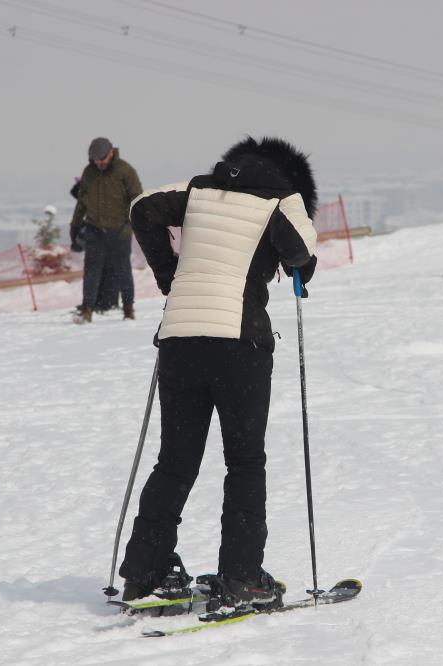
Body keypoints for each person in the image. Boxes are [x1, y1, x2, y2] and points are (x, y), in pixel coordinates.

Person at [117, 136, 319, 610]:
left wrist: (170, 275)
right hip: (239, 344)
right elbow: (302, 259)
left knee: (175, 460)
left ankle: (146, 572)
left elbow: (142, 208)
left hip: (180, 339)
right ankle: (241, 577)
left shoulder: (199, 190)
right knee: (245, 461)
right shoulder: (281, 199)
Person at [69, 137, 143, 322]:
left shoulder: (125, 171)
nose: (99, 163)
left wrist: (129, 227)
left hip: (120, 230)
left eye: (102, 159)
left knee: (123, 270)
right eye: (96, 160)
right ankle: (87, 311)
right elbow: (82, 202)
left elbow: (138, 201)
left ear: (111, 152)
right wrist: (75, 226)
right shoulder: (89, 172)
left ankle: (128, 310)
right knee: (91, 272)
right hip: (94, 230)